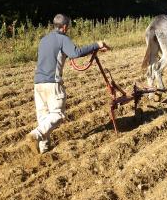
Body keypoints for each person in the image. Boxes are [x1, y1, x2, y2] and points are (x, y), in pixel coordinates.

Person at [25, 13, 110, 154]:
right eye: (68, 27)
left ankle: (43, 149)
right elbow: (75, 53)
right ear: (64, 27)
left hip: (38, 83)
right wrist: (97, 44)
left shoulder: (44, 40)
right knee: (58, 114)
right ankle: (35, 135)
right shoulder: (62, 39)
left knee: (44, 117)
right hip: (53, 83)